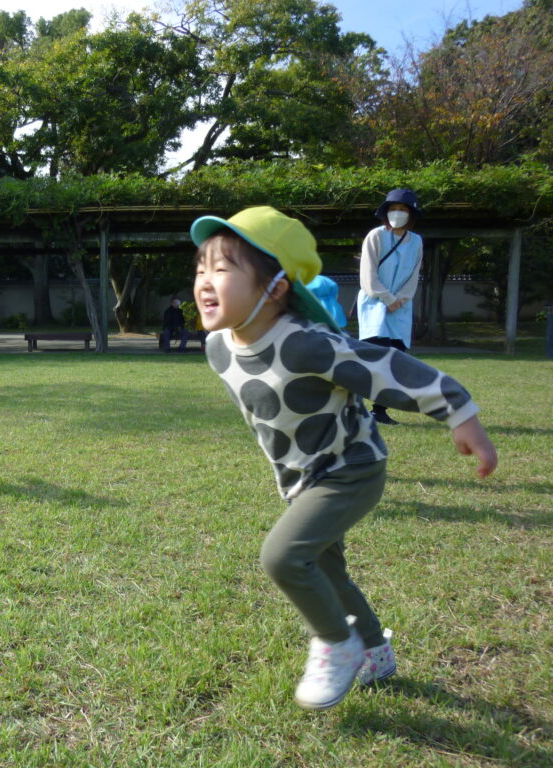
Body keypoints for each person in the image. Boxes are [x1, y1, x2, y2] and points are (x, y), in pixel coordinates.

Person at [190, 206, 497, 711]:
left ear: (276, 288)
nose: (205, 279)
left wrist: (458, 410)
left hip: (350, 469)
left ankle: (338, 644)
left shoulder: (307, 344)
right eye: (202, 267)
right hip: (299, 480)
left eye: (223, 269)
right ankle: (375, 650)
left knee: (284, 557)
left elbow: (385, 368)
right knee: (327, 571)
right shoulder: (218, 347)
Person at [357, 188, 425, 425]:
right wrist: (387, 298)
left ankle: (379, 410)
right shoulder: (375, 236)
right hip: (375, 304)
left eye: (403, 209)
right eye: (394, 209)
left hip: (401, 307)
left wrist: (401, 299)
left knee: (395, 360)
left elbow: (414, 274)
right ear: (386, 212)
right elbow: (368, 274)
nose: (398, 213)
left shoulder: (416, 241)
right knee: (372, 357)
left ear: (411, 213)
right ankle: (353, 406)